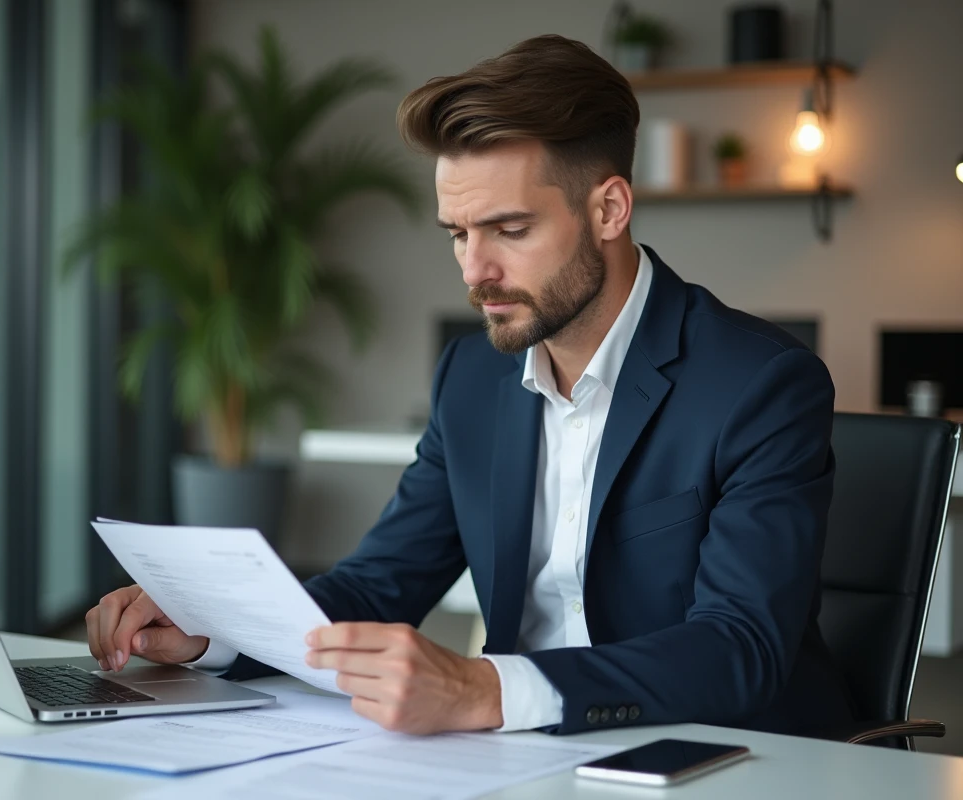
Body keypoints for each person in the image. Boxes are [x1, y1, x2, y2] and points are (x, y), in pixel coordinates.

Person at [85, 34, 856, 737]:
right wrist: (217, 632)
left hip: (728, 755)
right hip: (526, 758)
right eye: (459, 233)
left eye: (509, 230)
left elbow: (738, 648)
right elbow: (381, 583)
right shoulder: (472, 377)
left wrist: (486, 690)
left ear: (610, 209)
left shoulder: (760, 385)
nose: (474, 271)